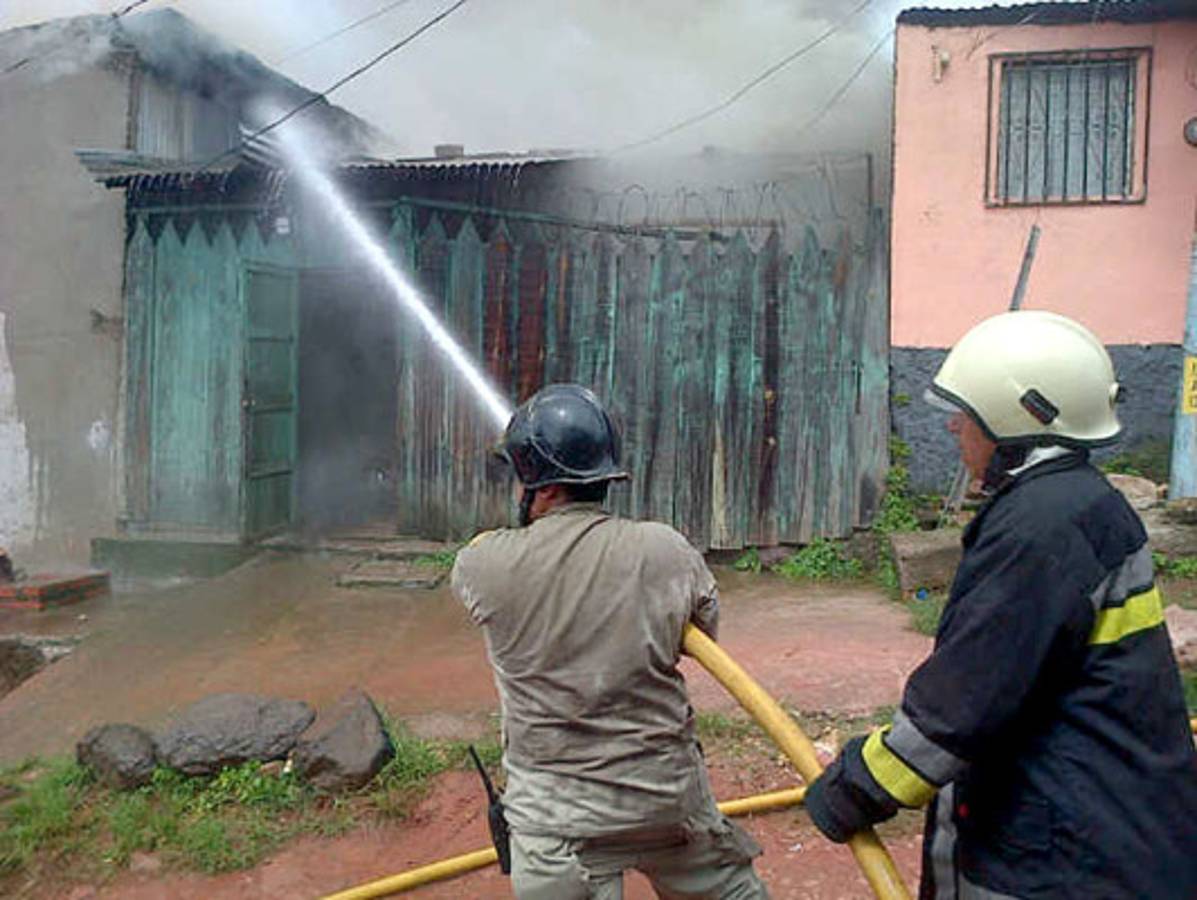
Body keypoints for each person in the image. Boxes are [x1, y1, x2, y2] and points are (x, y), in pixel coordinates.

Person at [805, 310, 1197, 898]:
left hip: (1067, 863)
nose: (954, 426)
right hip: (1119, 830)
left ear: (1017, 419)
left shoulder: (1041, 530)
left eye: (967, 413)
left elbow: (962, 705)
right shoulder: (1084, 503)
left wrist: (854, 787)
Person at [451, 383, 769, 900]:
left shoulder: (486, 564)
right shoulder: (665, 550)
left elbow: (479, 573)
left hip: (555, 823)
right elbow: (704, 633)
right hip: (664, 799)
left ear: (541, 487)